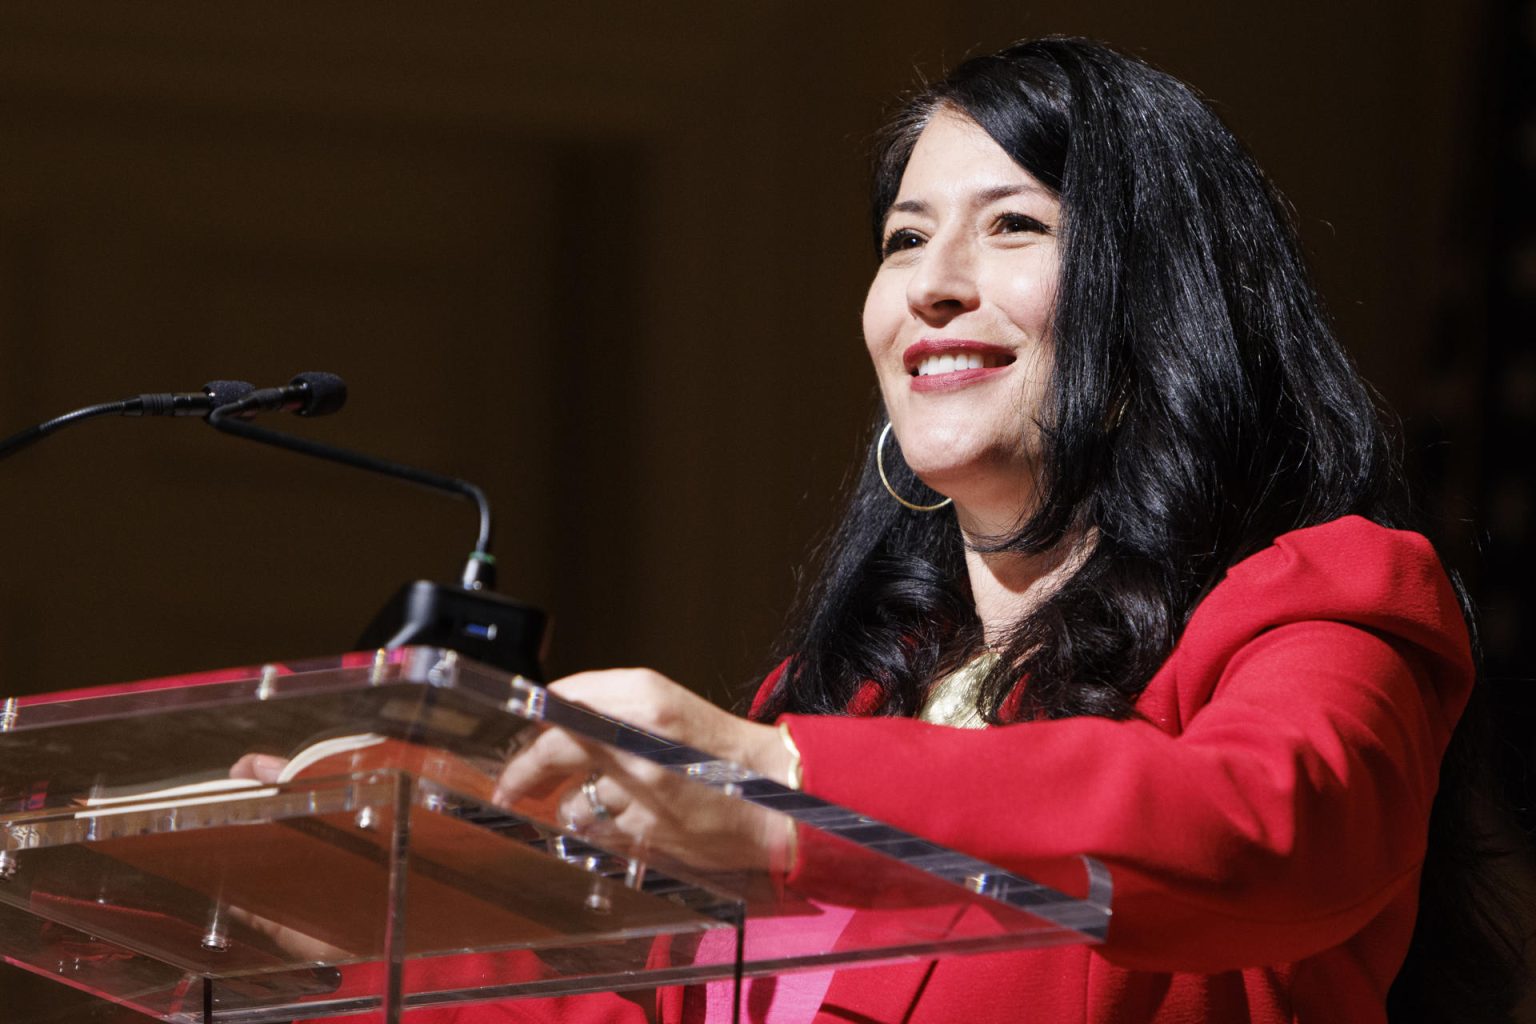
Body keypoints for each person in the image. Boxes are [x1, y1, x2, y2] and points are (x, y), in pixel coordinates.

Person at [421, 38, 1525, 1024]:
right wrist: (346, 881)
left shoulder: (1330, 600)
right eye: (905, 238)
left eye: (1013, 225)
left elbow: (1265, 833)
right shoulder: (833, 700)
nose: (932, 285)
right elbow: (624, 998)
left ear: (1158, 307)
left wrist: (784, 789)